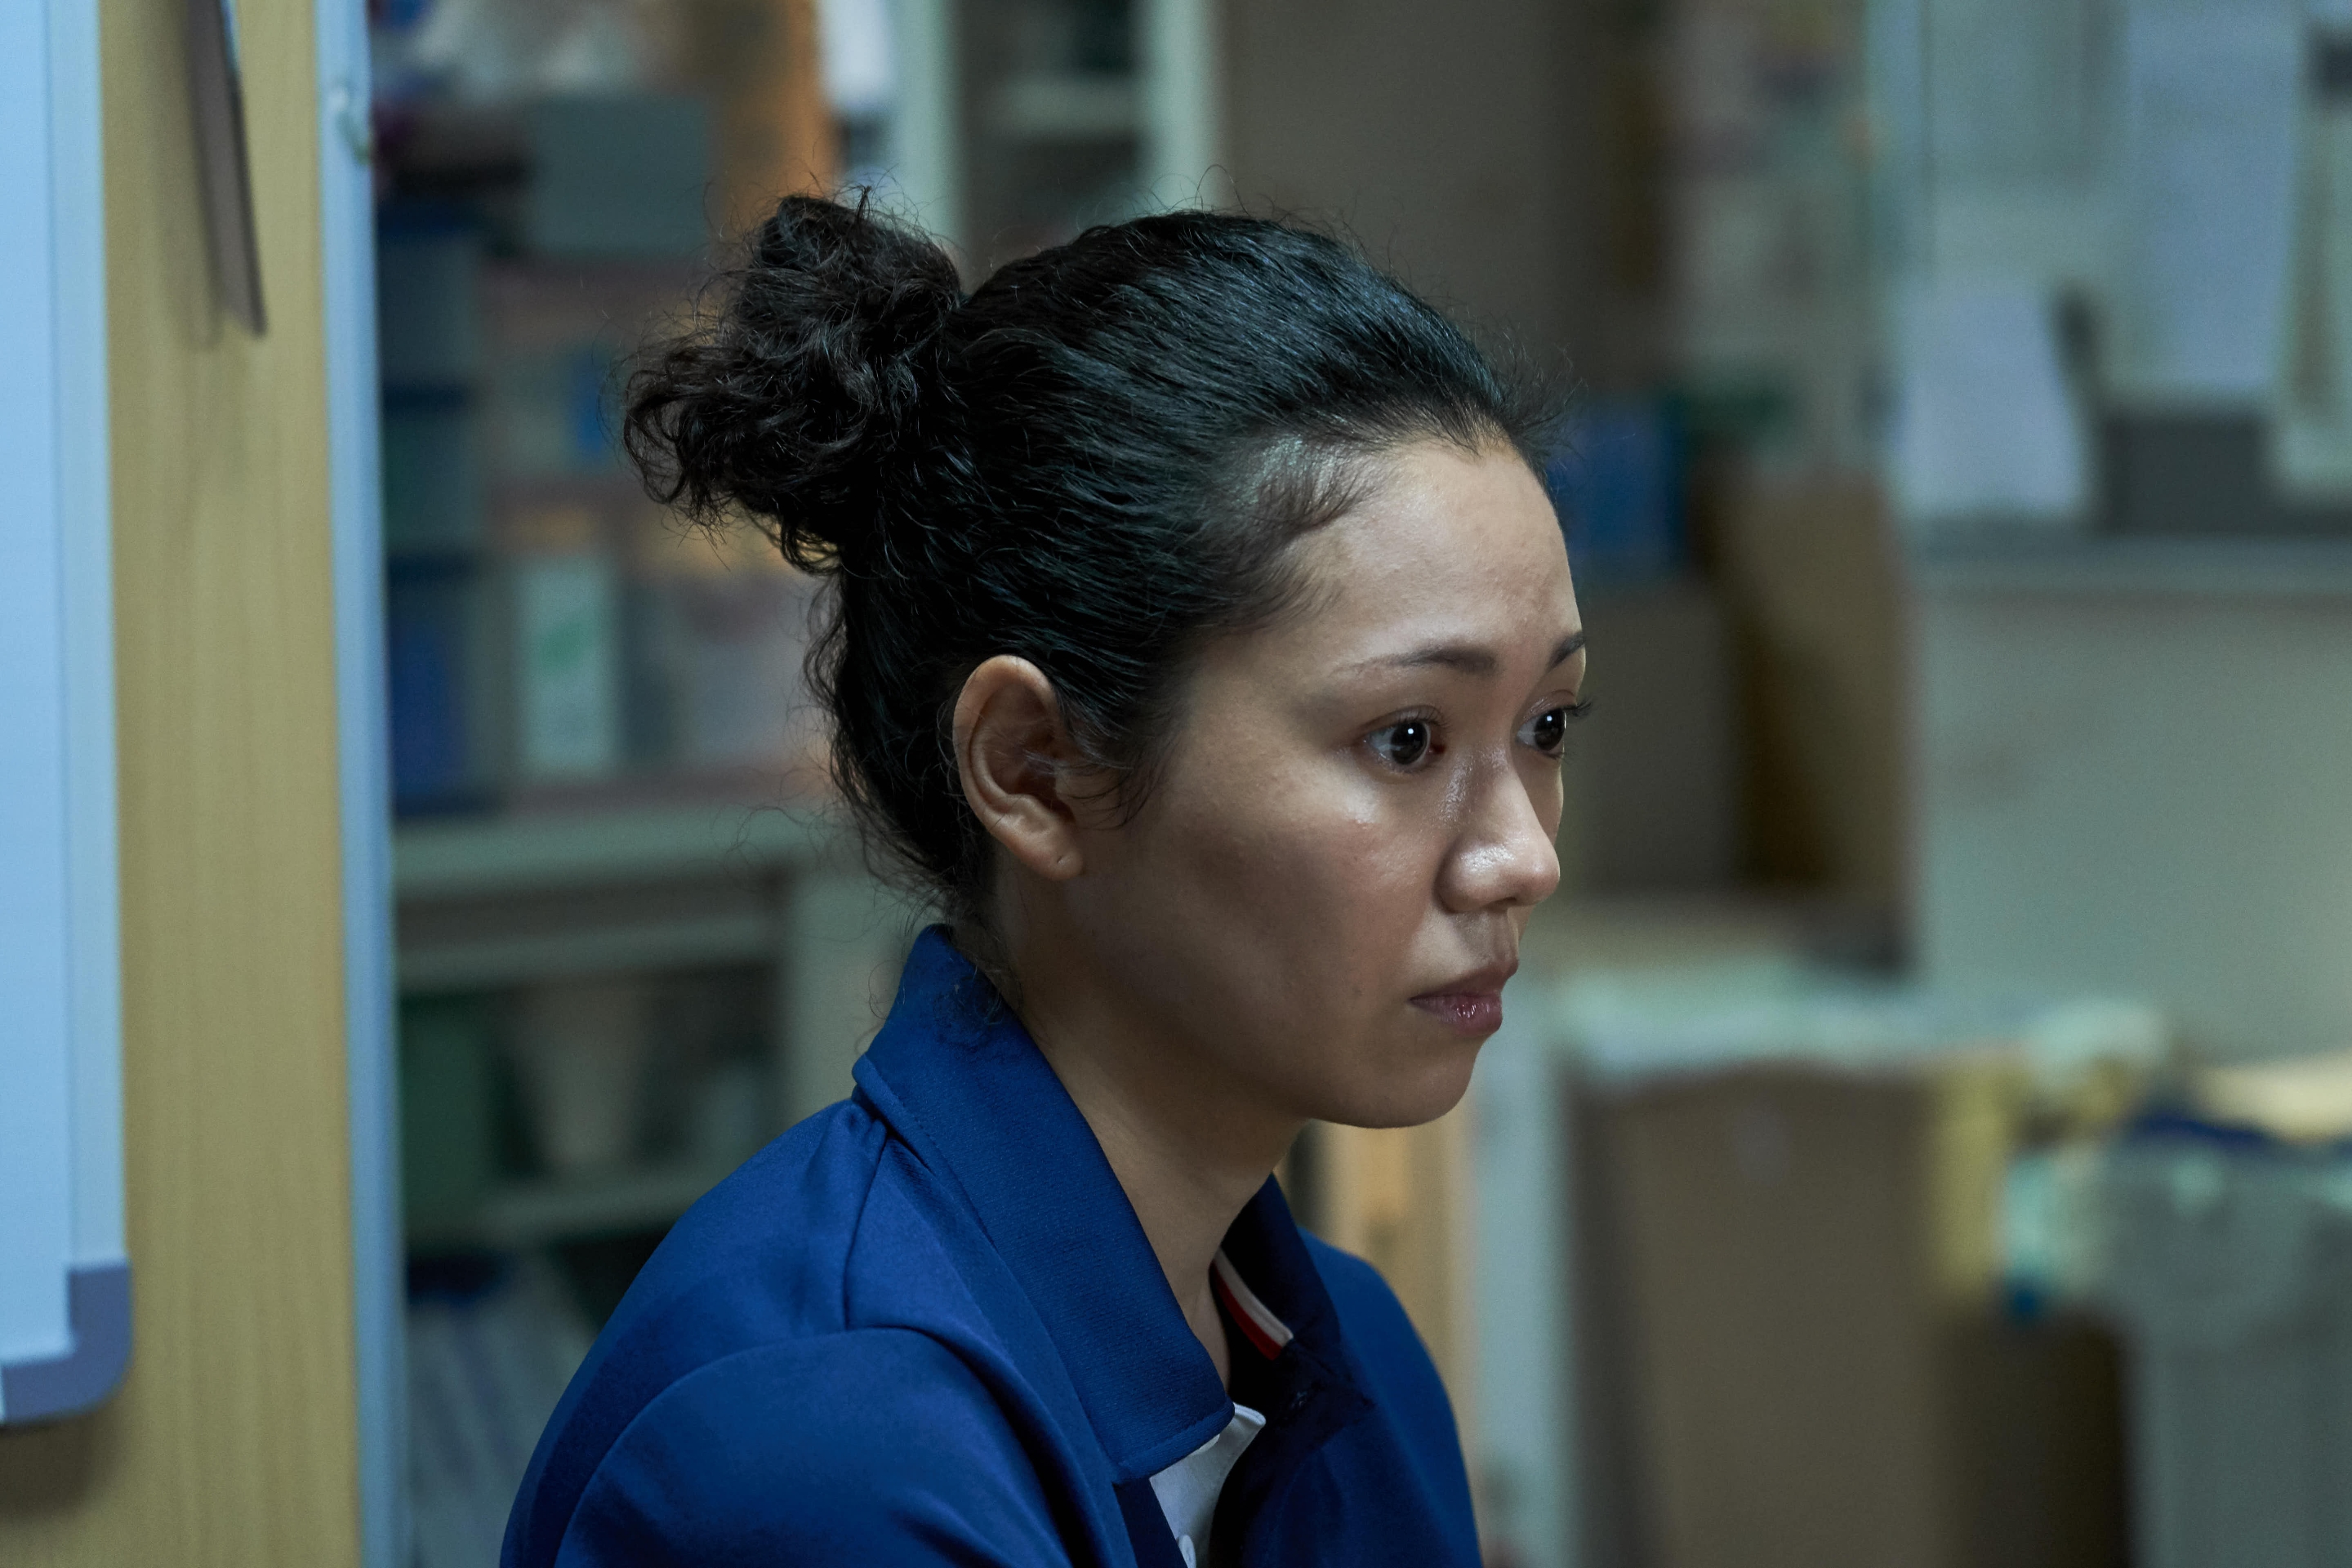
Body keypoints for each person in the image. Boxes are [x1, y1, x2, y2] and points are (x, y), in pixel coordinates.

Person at [501, 194, 1586, 1568]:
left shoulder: (1354, 1366)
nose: (1525, 857)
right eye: (1409, 739)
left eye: (1548, 727)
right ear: (1034, 768)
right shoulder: (825, 1447)